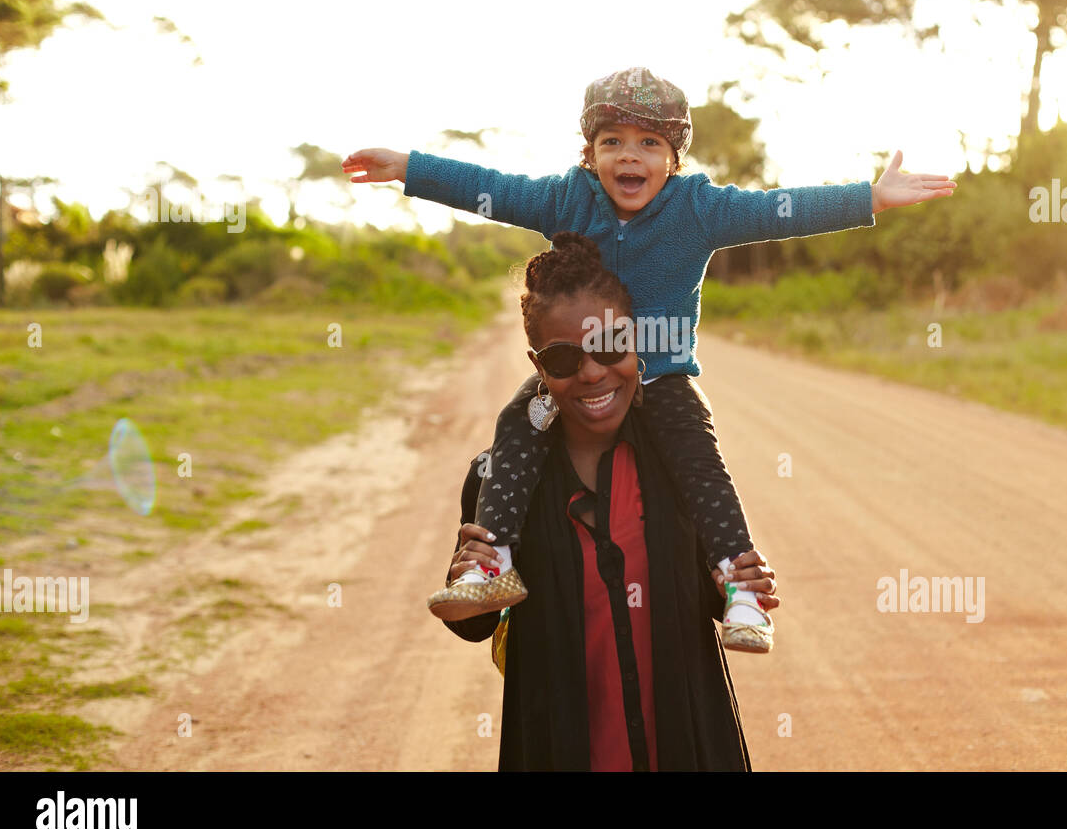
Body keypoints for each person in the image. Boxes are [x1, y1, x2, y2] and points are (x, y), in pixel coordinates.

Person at [343, 66, 955, 651]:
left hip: (660, 376)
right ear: (591, 153)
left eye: (648, 142)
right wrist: (408, 168)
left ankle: (740, 587)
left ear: (672, 158)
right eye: (612, 141)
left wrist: (870, 198)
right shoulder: (566, 201)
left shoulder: (699, 209)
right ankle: (493, 561)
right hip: (575, 371)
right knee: (516, 424)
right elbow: (493, 191)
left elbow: (780, 208)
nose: (629, 156)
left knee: (699, 462)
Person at [442, 232, 779, 770]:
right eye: (563, 357)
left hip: (684, 745)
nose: (593, 371)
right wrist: (465, 570)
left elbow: (709, 595)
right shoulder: (500, 480)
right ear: (537, 364)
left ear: (636, 340)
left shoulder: (678, 468)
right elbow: (473, 623)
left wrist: (738, 585)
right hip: (558, 746)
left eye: (609, 345)